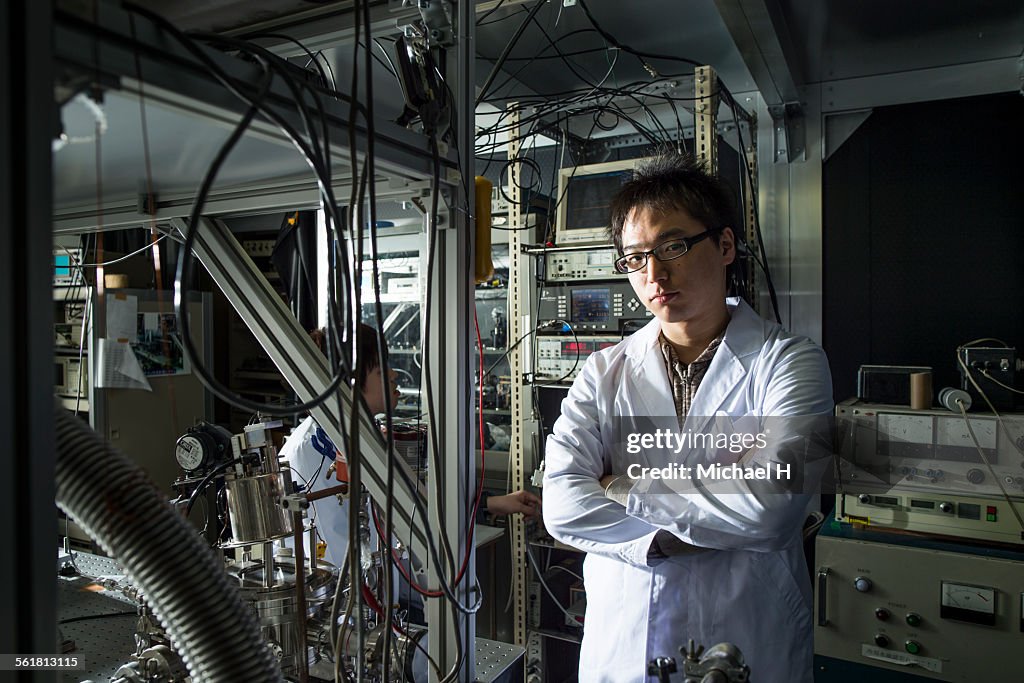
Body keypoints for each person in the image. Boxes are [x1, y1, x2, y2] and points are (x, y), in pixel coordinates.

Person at [542, 154, 833, 683]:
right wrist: (702, 516)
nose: (654, 274)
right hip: (624, 644)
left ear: (724, 246)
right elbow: (561, 505)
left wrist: (618, 486)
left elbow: (773, 510)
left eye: (673, 246)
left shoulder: (789, 361)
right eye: (635, 258)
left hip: (746, 634)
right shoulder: (603, 371)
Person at [284, 325, 541, 569]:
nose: (393, 373)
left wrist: (494, 502)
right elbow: (333, 561)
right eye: (381, 368)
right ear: (350, 383)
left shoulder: (365, 433)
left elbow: (420, 498)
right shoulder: (310, 452)